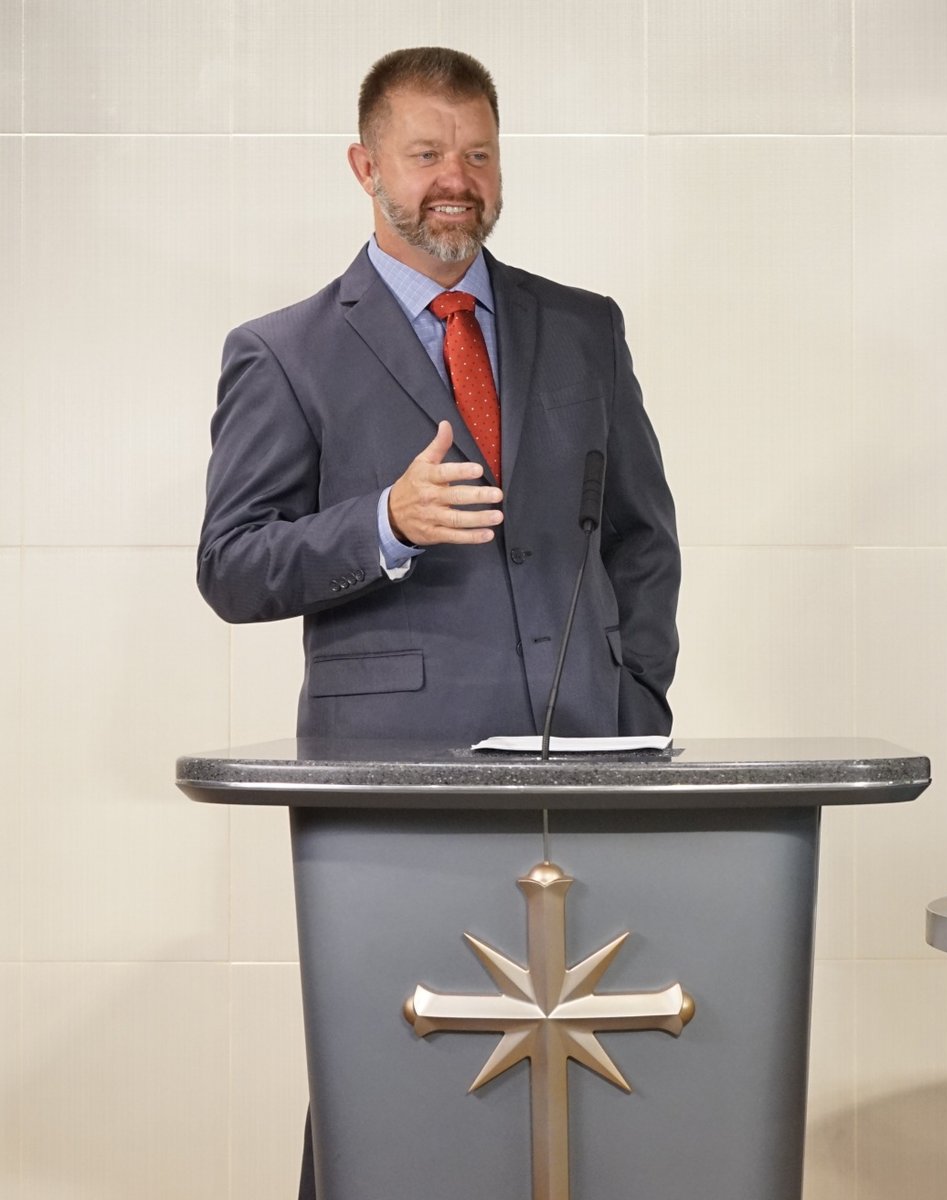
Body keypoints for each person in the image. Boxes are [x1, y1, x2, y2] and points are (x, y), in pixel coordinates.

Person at [196, 47, 681, 1197]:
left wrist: (634, 699)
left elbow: (642, 538)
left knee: (593, 1084)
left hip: (590, 767)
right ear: (365, 167)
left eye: (478, 153)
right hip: (389, 783)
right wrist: (384, 522)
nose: (454, 178)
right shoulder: (285, 351)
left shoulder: (584, 327)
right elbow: (231, 564)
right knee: (390, 1078)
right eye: (425, 154)